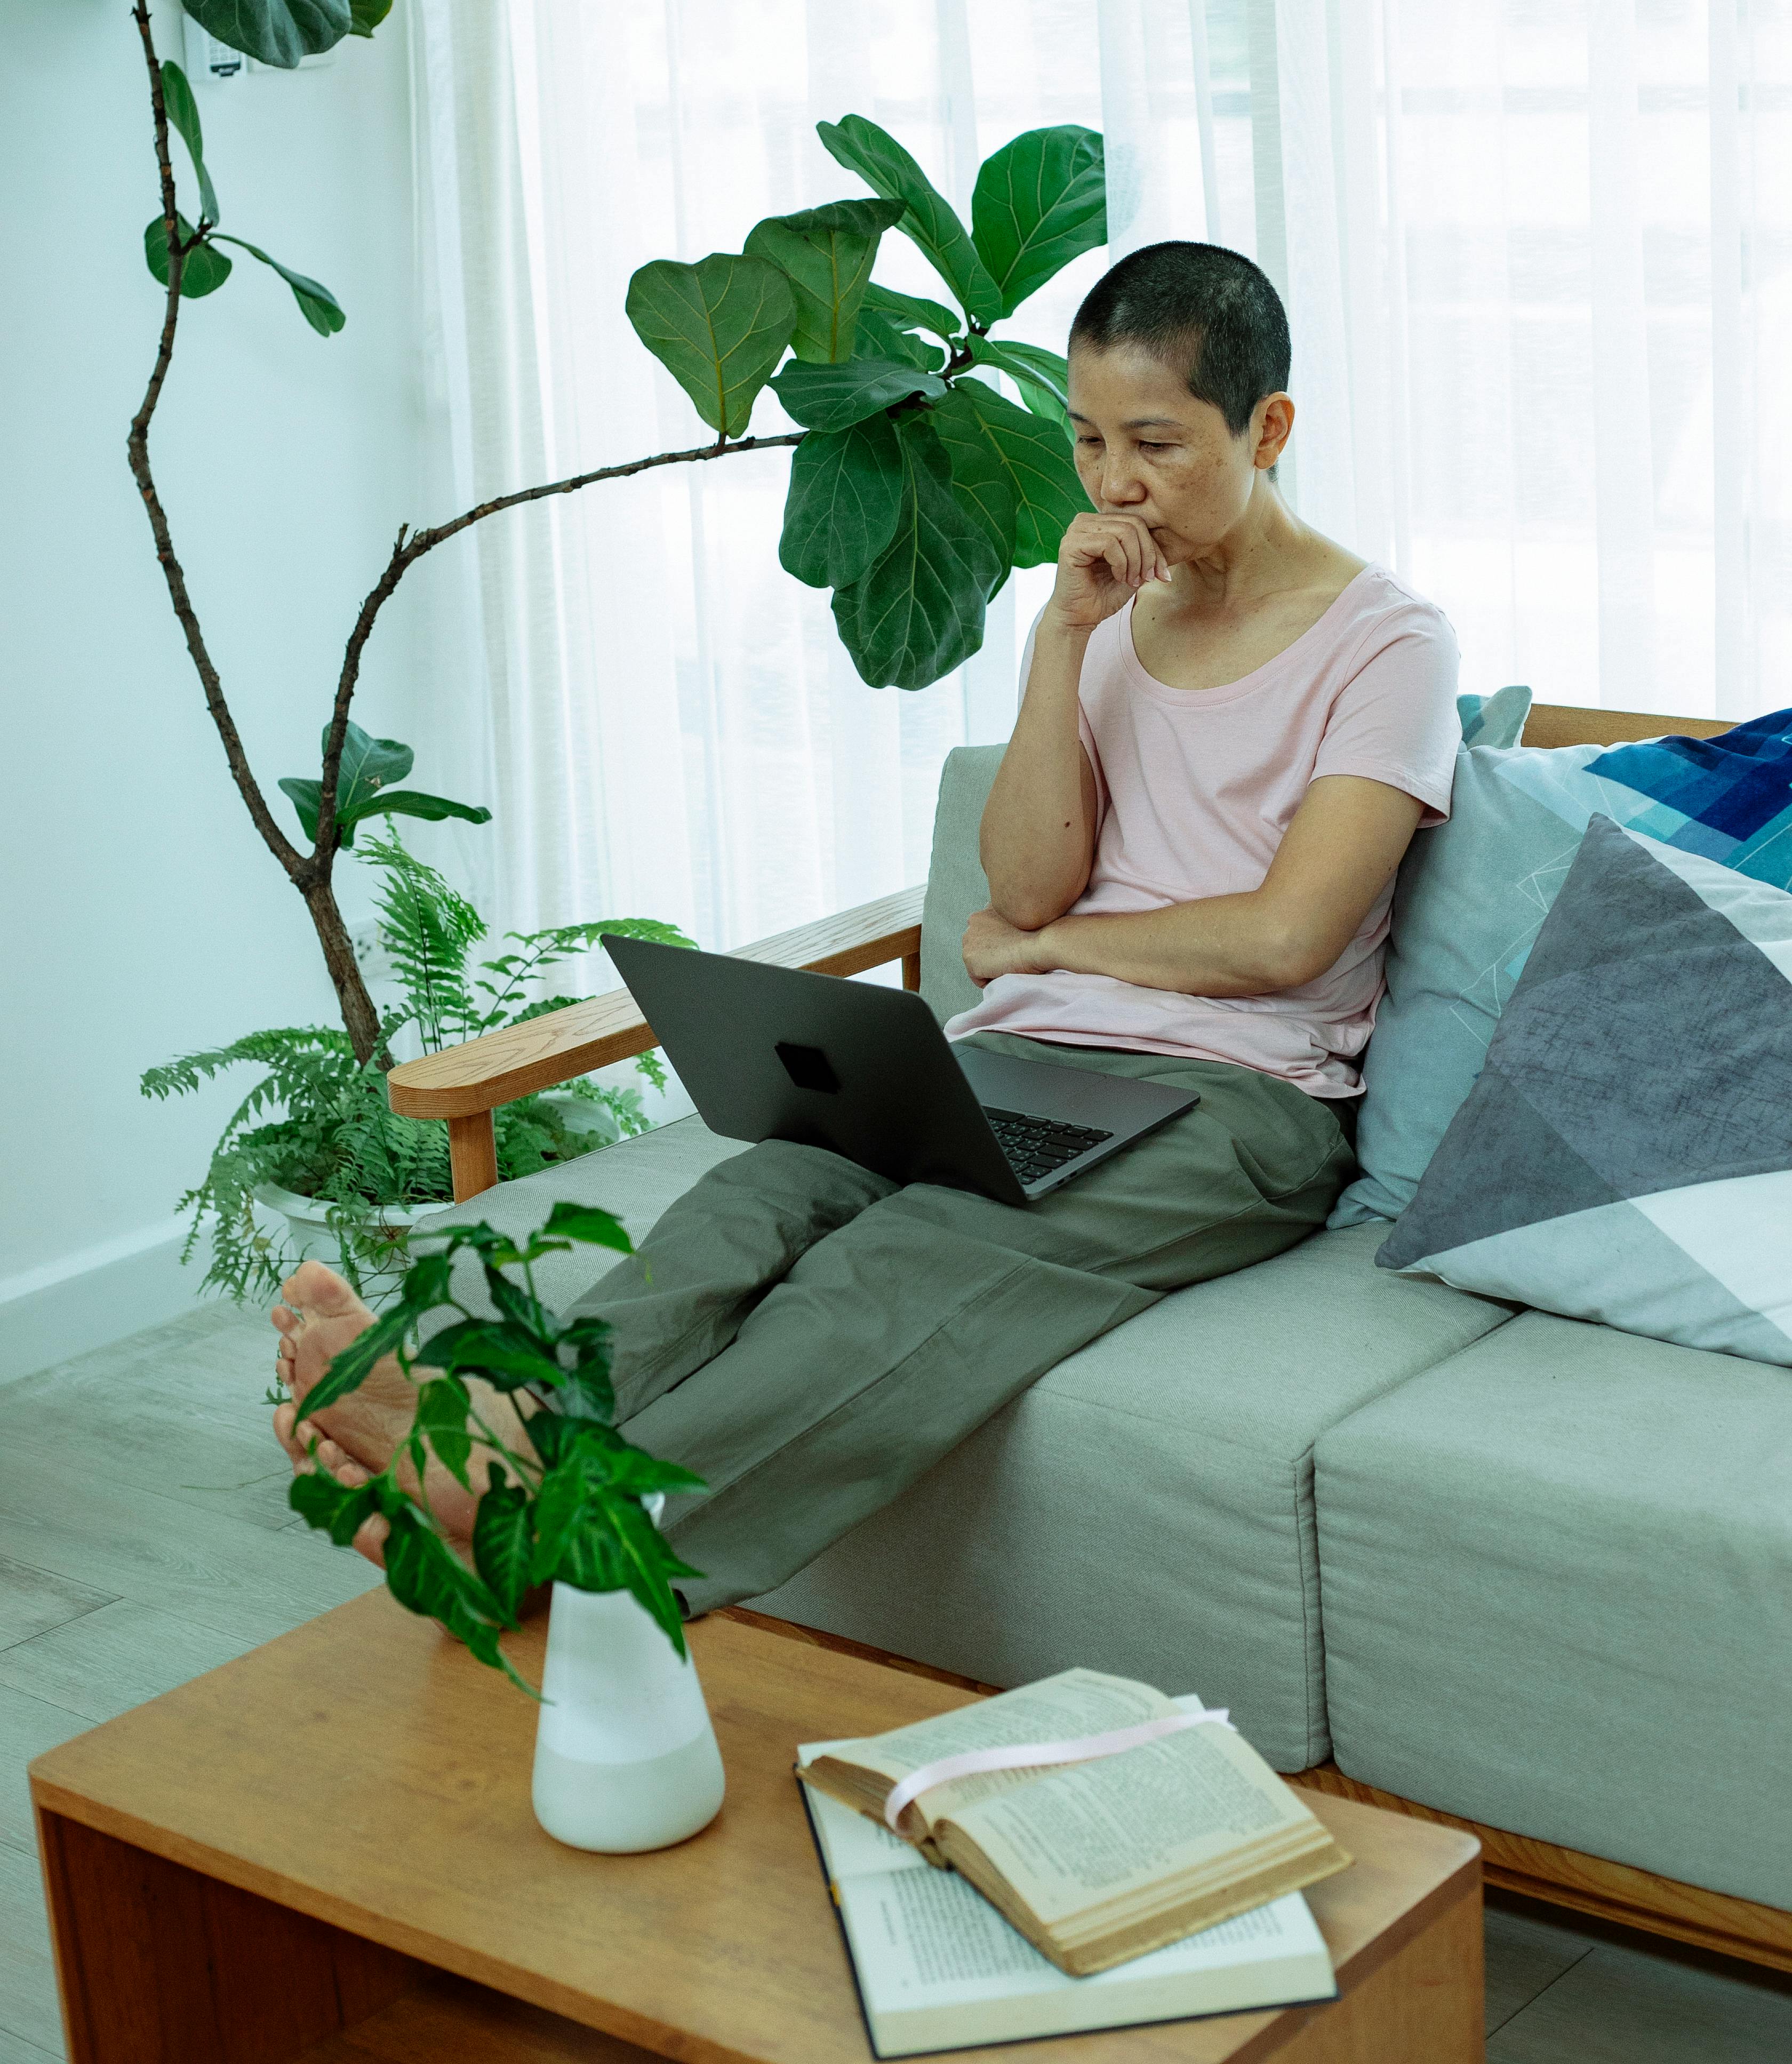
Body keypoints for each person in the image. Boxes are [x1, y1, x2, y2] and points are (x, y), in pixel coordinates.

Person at [273, 239, 1460, 1611]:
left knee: (905, 1261)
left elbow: (1284, 940)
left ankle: (548, 1530)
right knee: (756, 1199)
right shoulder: (1112, 613)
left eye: (1156, 443)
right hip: (1021, 1055)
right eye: (1084, 440)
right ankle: (486, 1432)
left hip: (1239, 1104)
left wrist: (1051, 953)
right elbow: (1022, 890)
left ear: (1269, 428)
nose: (1113, 484)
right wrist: (1062, 643)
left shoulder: (1388, 642)